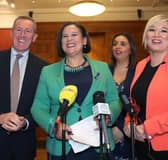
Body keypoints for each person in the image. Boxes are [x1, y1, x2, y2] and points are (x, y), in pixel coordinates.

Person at [31, 22, 121, 160]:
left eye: (74, 35)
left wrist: (108, 117)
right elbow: (38, 108)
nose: (69, 39)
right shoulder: (47, 72)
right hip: (62, 146)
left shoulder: (103, 68)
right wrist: (54, 127)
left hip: (98, 144)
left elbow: (114, 100)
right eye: (64, 36)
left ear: (84, 40)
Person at [0, 15, 48, 160]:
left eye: (28, 31)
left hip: (24, 145)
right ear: (11, 33)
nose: (22, 35)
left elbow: (44, 107)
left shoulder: (44, 68)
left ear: (34, 37)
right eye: (18, 30)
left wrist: (25, 122)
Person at [124, 14, 168, 160]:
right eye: (152, 29)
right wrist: (128, 123)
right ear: (145, 35)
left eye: (164, 30)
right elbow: (134, 103)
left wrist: (148, 127)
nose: (156, 34)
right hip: (141, 144)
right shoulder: (141, 65)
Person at [109, 33, 136, 160]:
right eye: (114, 44)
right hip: (107, 129)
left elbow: (138, 103)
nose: (117, 47)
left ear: (131, 49)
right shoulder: (105, 71)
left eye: (123, 44)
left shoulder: (137, 72)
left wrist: (120, 128)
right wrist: (112, 127)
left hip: (130, 131)